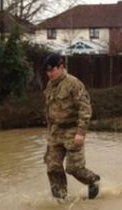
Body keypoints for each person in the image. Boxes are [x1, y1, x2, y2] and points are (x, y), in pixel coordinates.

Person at [42, 53, 100, 200]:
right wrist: (49, 133)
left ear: (61, 67)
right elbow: (50, 110)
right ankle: (60, 199)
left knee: (73, 168)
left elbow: (85, 109)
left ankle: (93, 181)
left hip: (72, 131)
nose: (49, 74)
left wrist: (81, 133)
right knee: (52, 167)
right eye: (47, 71)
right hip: (55, 133)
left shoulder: (74, 84)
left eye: (52, 70)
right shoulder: (50, 86)